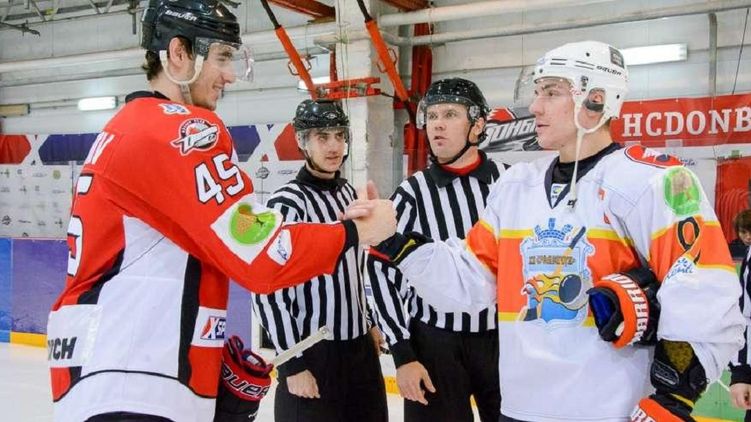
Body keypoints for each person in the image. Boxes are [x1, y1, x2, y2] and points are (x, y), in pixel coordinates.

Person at [46, 1, 395, 421]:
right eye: (222, 57)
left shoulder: (127, 127)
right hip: (137, 375)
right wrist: (357, 232)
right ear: (179, 53)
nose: (230, 75)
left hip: (117, 368)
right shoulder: (178, 130)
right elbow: (262, 253)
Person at [363, 40, 744, 421]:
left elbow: (702, 290)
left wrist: (674, 398)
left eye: (551, 92)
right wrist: (393, 242)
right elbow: (470, 280)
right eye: (537, 92)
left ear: (596, 99)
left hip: (609, 411)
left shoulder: (654, 182)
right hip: (521, 406)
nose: (535, 106)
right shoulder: (516, 187)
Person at [367, 78, 502, 422]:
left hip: (502, 341)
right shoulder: (412, 193)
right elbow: (379, 269)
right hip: (434, 344)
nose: (437, 124)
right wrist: (403, 354)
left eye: (450, 114)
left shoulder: (509, 183)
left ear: (477, 125)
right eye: (432, 116)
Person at [251, 99, 388, 422]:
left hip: (359, 350)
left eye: (339, 136)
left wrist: (367, 321)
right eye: (322, 137)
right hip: (312, 351)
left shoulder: (348, 194)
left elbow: (353, 271)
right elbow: (266, 289)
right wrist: (292, 363)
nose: (333, 146)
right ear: (303, 142)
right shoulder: (286, 202)